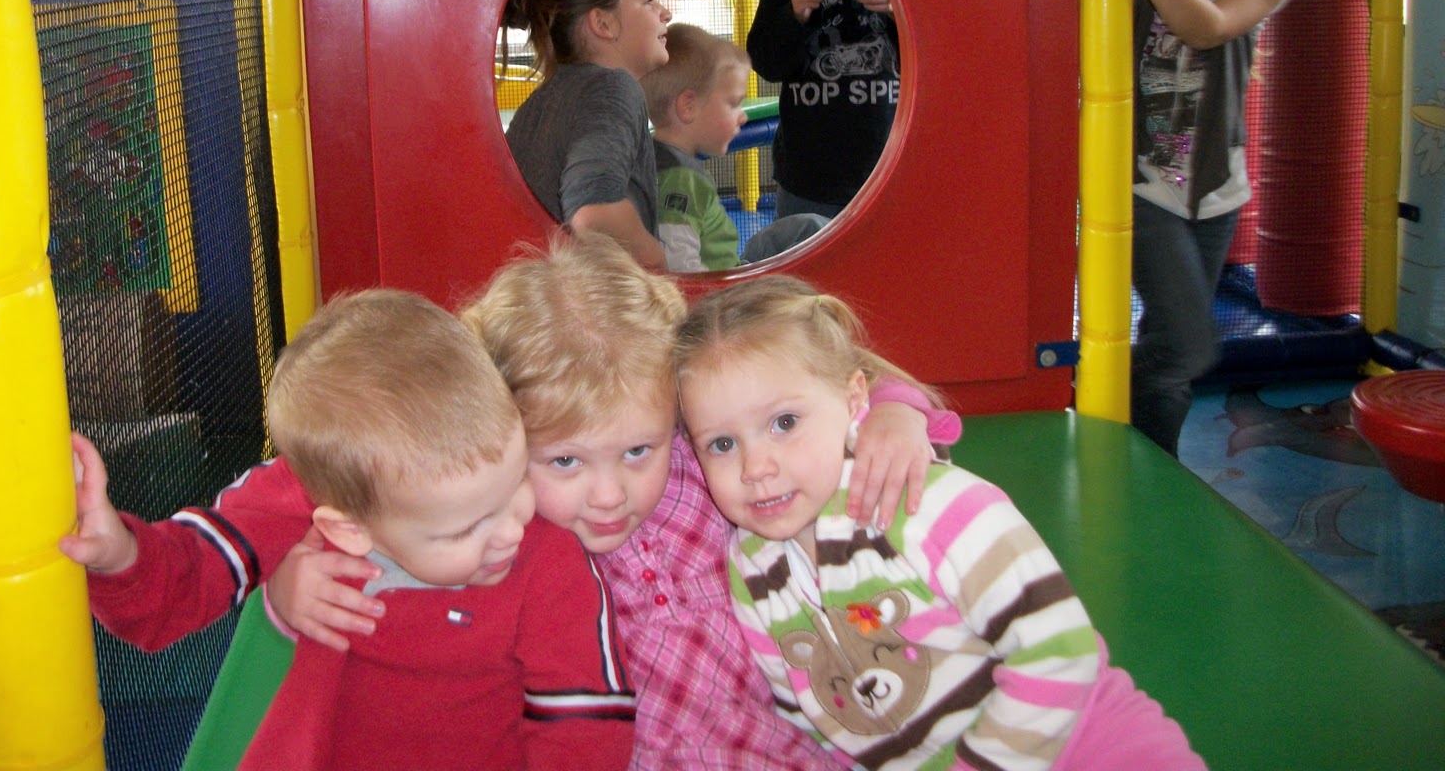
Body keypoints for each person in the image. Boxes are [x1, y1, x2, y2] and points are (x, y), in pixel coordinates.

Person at [273, 233, 958, 770]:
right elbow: (365, 491)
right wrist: (286, 590)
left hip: (792, 747)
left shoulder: (707, 465)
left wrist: (896, 412)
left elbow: (820, 380)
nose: (608, 496)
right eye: (565, 461)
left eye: (637, 451)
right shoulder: (497, 536)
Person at [59, 290, 634, 771]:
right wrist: (118, 554)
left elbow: (586, 721)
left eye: (515, 485)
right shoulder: (323, 485)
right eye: (467, 528)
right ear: (350, 527)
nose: (513, 528)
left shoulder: (551, 565)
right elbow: (189, 575)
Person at [673, 275, 1204, 771]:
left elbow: (1059, 654)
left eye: (784, 422)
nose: (755, 467)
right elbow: (810, 717)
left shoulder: (930, 505)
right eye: (722, 443)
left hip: (1092, 745)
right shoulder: (750, 567)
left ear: (854, 398)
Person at [1080, 0, 1298, 457]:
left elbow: (1210, 27)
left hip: (1213, 193)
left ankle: (1153, 469)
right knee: (1188, 342)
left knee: (1173, 360)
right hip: (1137, 183)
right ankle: (1092, 397)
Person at [504, 0, 672, 269]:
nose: (665, 13)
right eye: (648, 1)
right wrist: (658, 264)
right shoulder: (612, 88)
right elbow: (594, 215)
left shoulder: (539, 104)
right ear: (603, 24)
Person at [746, 0, 899, 220]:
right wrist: (795, 13)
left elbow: (939, 53)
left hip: (890, 163)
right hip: (811, 174)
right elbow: (765, 61)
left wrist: (898, 10)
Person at [641, 23, 826, 271]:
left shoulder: (660, 159)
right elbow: (679, 268)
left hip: (732, 266)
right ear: (688, 106)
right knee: (812, 233)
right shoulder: (680, 179)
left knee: (808, 227)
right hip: (723, 283)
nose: (743, 116)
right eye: (734, 103)